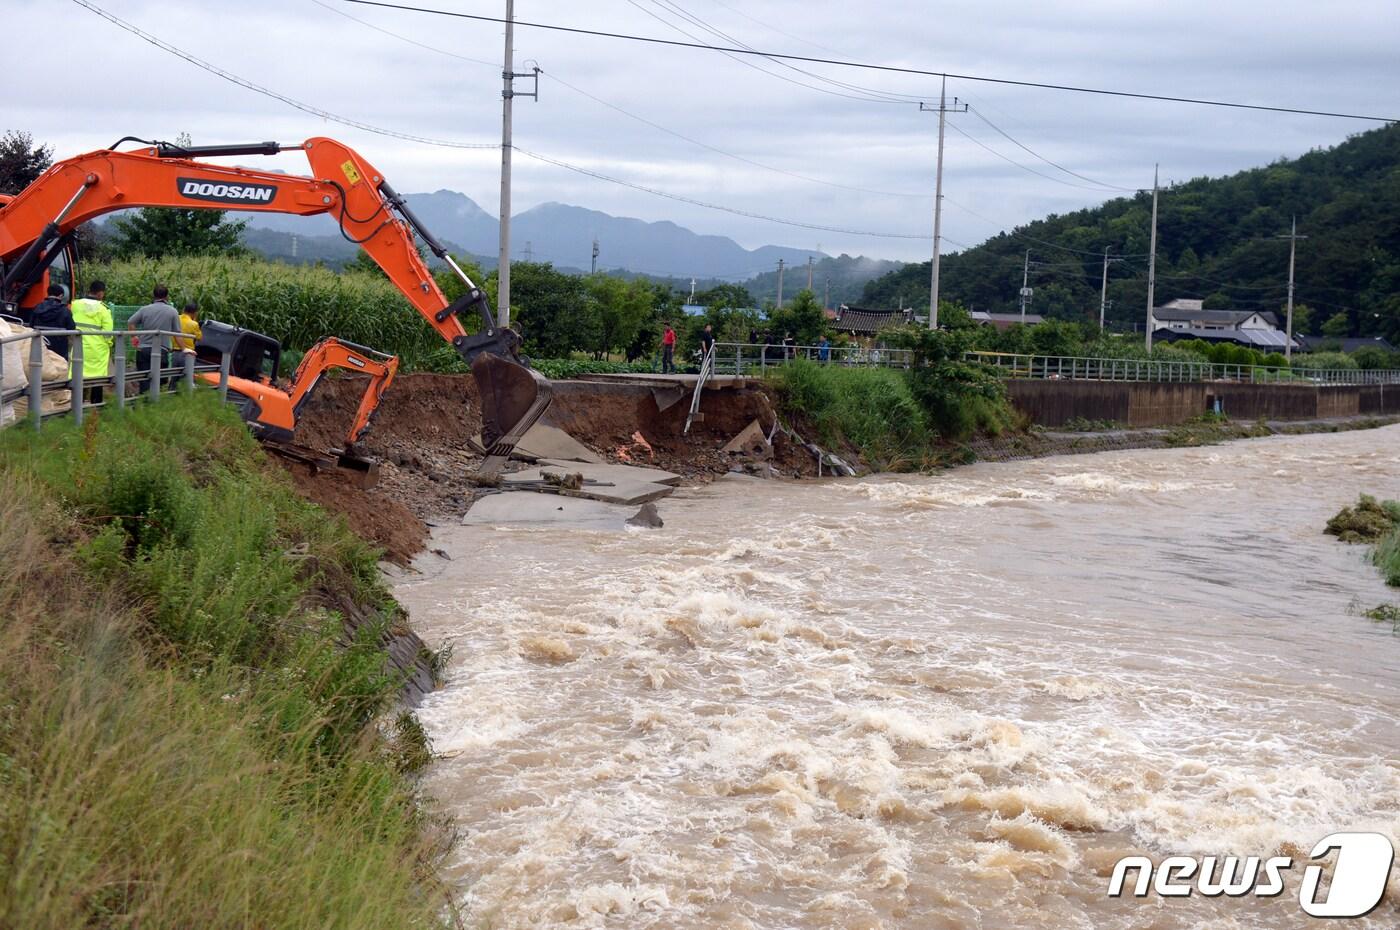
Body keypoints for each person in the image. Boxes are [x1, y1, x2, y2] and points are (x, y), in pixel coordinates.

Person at [127, 284, 182, 389]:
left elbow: (130, 322)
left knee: (144, 381)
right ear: (167, 297)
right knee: (159, 381)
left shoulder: (145, 309)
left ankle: (143, 402)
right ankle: (154, 402)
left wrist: (134, 337)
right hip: (161, 350)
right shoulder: (172, 311)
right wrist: (184, 349)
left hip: (143, 350)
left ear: (154, 296)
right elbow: (177, 334)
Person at [69, 280, 114, 404]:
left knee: (78, 376)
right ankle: (96, 407)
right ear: (100, 293)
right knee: (97, 379)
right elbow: (108, 333)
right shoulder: (104, 310)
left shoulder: (76, 305)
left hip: (79, 346)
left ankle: (78, 405)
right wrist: (109, 344)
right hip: (98, 351)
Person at [30, 283, 75, 360]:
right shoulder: (65, 311)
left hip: (40, 346)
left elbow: (31, 325)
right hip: (59, 349)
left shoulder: (37, 308)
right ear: (61, 296)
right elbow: (71, 328)